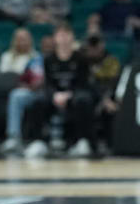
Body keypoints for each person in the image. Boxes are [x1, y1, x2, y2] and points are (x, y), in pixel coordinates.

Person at [22, 24, 95, 158]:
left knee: (83, 99)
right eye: (61, 35)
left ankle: (82, 141)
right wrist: (55, 95)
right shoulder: (49, 59)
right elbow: (48, 83)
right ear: (55, 38)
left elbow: (83, 83)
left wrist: (68, 94)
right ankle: (39, 141)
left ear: (72, 37)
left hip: (75, 94)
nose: (64, 38)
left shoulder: (81, 58)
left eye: (67, 34)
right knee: (38, 100)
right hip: (55, 95)